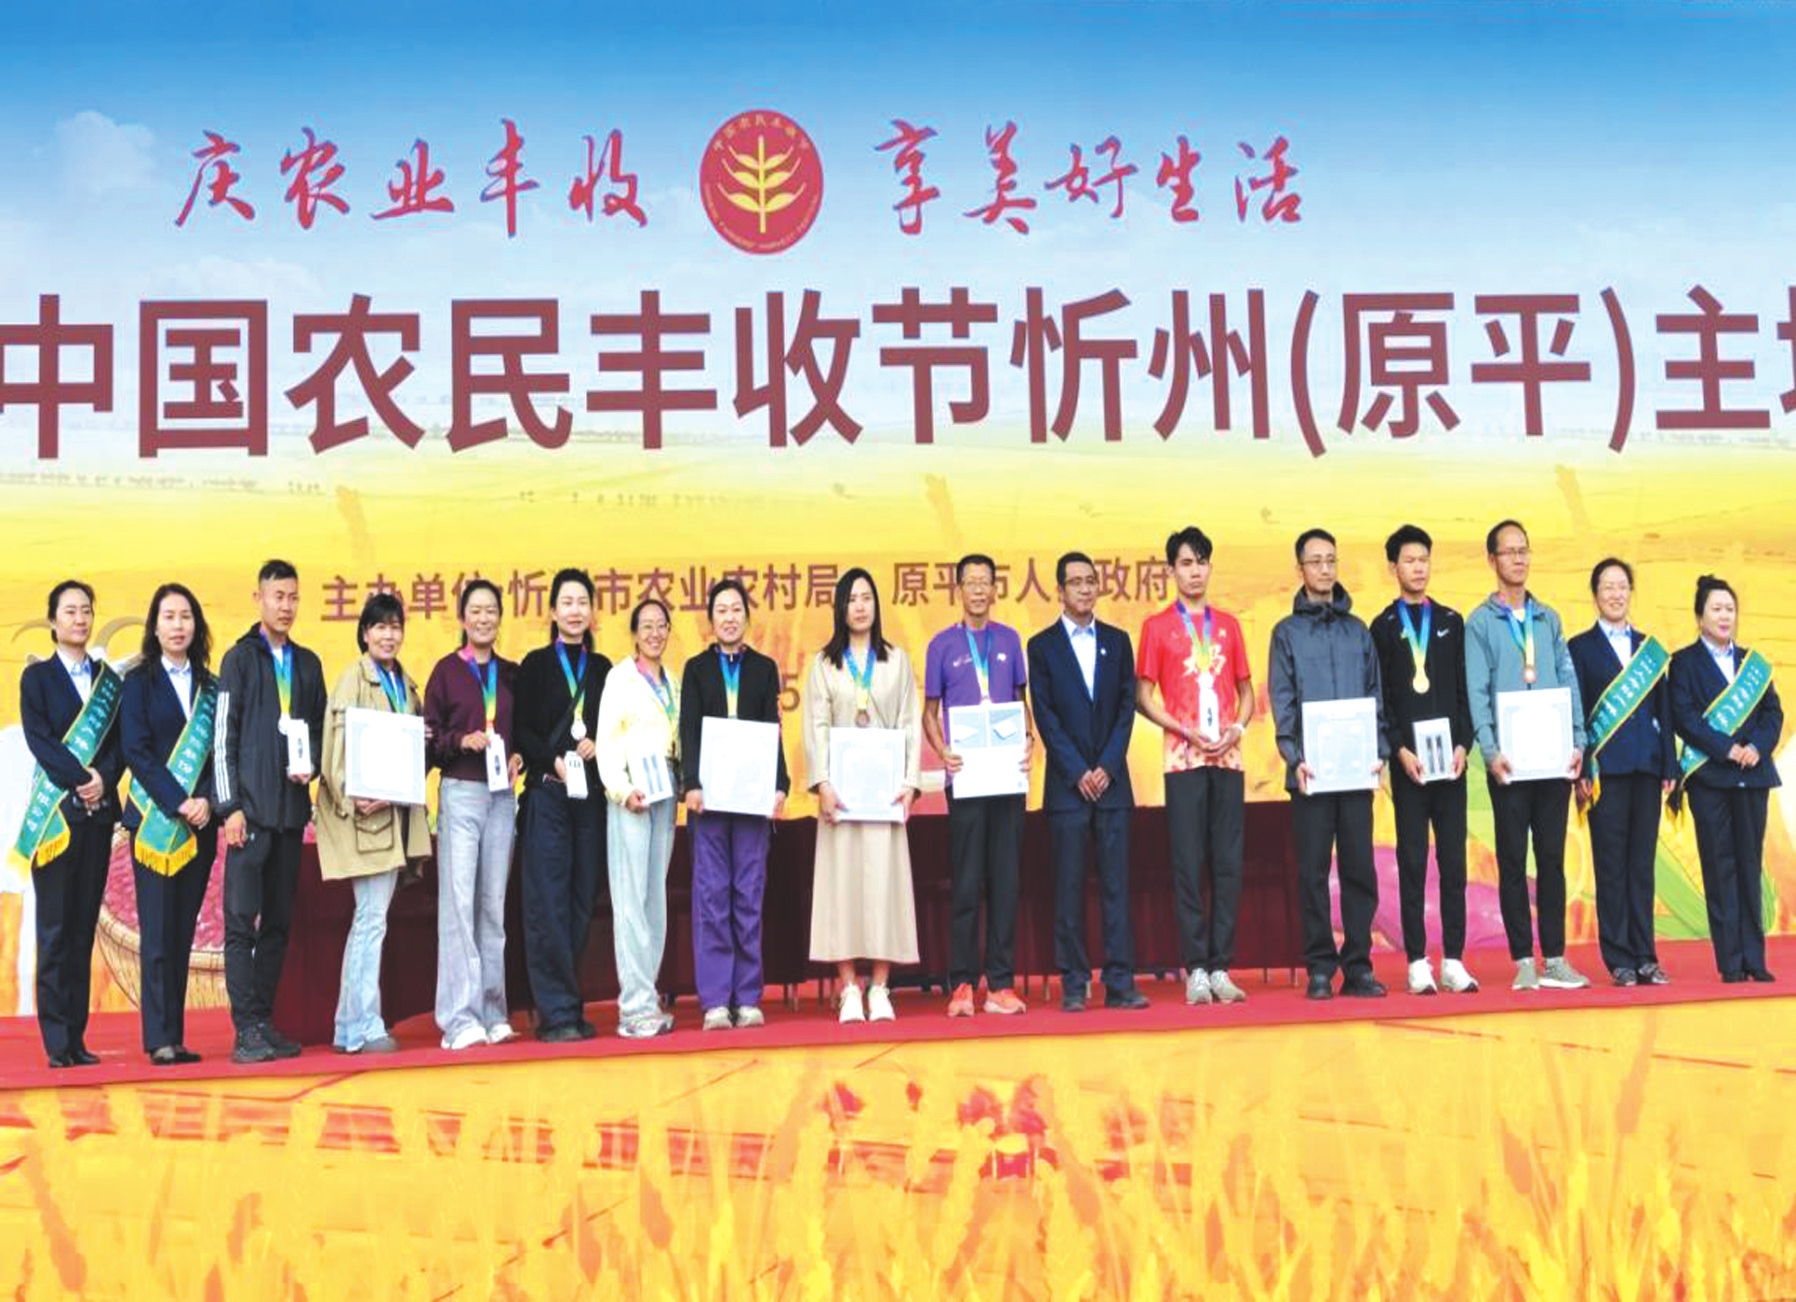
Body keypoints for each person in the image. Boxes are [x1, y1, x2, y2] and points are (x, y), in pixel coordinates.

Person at [1464, 520, 1590, 992]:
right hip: (1510, 765)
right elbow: (1477, 690)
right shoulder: (1480, 623)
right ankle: (1522, 959)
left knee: (1552, 859)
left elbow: (1568, 680)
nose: (1518, 558)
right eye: (1509, 551)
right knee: (1514, 861)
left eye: (1524, 550)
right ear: (1491, 560)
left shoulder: (1548, 618)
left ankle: (1554, 958)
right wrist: (1490, 750)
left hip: (1553, 760)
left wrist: (1577, 740)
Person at [1134, 526, 1255, 1005]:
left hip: (1227, 755)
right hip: (1182, 759)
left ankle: (1222, 966)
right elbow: (1143, 696)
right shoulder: (1157, 627)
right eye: (1186, 563)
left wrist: (1237, 729)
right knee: (1187, 863)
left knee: (1228, 862)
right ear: (1172, 570)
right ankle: (1197, 969)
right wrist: (1181, 728)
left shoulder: (1229, 625)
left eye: (1202, 562)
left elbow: (1246, 691)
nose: (1195, 571)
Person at [1269, 529, 1389, 1001]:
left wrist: (1379, 751)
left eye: (1331, 560)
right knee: (1313, 873)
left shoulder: (1358, 631)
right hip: (1311, 776)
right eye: (1315, 561)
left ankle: (1358, 966)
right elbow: (1283, 701)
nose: (1324, 569)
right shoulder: (1286, 633)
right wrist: (1294, 758)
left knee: (1360, 870)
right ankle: (1320, 967)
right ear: (1299, 569)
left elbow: (1376, 696)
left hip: (1356, 773)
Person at [1027, 552, 1148, 1012]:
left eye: (1090, 581)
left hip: (1112, 786)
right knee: (1069, 888)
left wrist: (1107, 767)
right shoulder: (1042, 647)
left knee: (1117, 888)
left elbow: (1125, 709)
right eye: (1074, 582)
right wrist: (1078, 771)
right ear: (1059, 591)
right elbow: (1045, 716)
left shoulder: (1117, 642)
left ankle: (1120, 982)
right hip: (1067, 789)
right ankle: (1074, 983)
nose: (1083, 588)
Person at [216, 559, 327, 1064]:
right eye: (277, 596)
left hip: (290, 817)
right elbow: (223, 739)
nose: (286, 606)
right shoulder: (239, 660)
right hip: (250, 817)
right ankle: (245, 1029)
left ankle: (263, 1020)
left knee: (278, 925)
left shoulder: (308, 664)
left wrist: (314, 765)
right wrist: (230, 808)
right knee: (241, 924)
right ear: (258, 599)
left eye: (293, 597)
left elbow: (321, 731)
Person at [14, 580, 124, 1068]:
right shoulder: (37, 679)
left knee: (82, 930)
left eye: (86, 611)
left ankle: (78, 1038)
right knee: (56, 930)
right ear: (53, 621)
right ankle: (57, 1042)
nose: (80, 619)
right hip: (57, 821)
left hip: (98, 820)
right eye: (70, 611)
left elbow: (121, 744)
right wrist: (82, 779)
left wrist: (105, 777)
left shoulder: (109, 682)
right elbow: (40, 741)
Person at [316, 593, 432, 1054]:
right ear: (364, 633)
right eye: (380, 626)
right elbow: (336, 747)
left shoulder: (406, 682)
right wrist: (353, 793)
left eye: (395, 626)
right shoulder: (353, 678)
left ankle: (350, 1026)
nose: (388, 635)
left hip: (394, 816)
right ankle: (364, 1025)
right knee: (370, 922)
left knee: (370, 921)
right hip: (366, 817)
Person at [805, 569, 922, 1024]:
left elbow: (909, 723)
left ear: (876, 605)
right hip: (842, 796)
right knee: (842, 889)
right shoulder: (824, 664)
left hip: (884, 795)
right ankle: (850, 986)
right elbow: (816, 726)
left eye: (866, 597)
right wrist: (823, 783)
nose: (859, 606)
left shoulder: (897, 660)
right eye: (851, 598)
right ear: (840, 607)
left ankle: (881, 987)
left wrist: (909, 783)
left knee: (884, 888)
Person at [922, 553, 1034, 1017]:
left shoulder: (1009, 639)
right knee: (967, 881)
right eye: (970, 582)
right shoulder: (941, 645)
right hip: (966, 778)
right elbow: (930, 713)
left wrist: (1029, 740)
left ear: (995, 588)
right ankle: (963, 984)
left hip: (1006, 778)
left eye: (985, 582)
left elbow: (1021, 702)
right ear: (958, 590)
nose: (979, 590)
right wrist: (943, 750)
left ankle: (1001, 984)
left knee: (1005, 881)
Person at [1370, 525, 1478, 996]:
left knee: (1454, 864)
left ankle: (1454, 960)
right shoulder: (1382, 627)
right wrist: (1399, 749)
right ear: (1393, 567)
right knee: (1412, 862)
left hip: (1451, 764)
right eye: (1409, 560)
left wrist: (1464, 745)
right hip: (1410, 765)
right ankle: (1416, 961)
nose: (1418, 568)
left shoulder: (1452, 621)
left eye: (1424, 559)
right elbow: (1382, 699)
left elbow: (1465, 691)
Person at [679, 579, 789, 1030]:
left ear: (747, 616)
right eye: (721, 610)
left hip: (750, 799)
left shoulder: (763, 668)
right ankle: (714, 1001)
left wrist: (779, 784)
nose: (729, 617)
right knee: (711, 897)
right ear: (711, 619)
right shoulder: (696, 669)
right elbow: (688, 729)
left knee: (748, 893)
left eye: (736, 609)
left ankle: (746, 996)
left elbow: (772, 728)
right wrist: (690, 783)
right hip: (708, 800)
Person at [423, 578, 524, 1051]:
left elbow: (521, 733)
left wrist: (519, 756)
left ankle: (493, 1010)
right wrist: (460, 741)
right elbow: (429, 738)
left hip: (502, 797)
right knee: (459, 906)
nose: (484, 618)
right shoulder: (446, 672)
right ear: (462, 618)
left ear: (500, 618)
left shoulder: (511, 674)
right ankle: (458, 1018)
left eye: (491, 611)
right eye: (476, 611)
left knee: (492, 907)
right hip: (462, 793)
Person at [120, 584, 218, 1065]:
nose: (178, 625)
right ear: (154, 626)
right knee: (157, 933)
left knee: (181, 932)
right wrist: (179, 802)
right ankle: (158, 1038)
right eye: (169, 616)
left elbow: (223, 752)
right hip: (155, 822)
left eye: (186, 616)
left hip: (201, 824)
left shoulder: (213, 687)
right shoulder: (138, 682)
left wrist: (208, 802)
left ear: (196, 625)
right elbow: (136, 751)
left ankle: (175, 1037)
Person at [1568, 559, 1678, 987]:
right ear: (1595, 594)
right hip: (1604, 773)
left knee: (1641, 866)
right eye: (1607, 587)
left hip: (1647, 768)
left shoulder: (1649, 649)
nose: (1616, 594)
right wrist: (1581, 765)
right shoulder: (1580, 648)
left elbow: (1663, 711)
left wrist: (1669, 763)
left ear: (1631, 592)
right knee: (1611, 866)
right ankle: (1619, 959)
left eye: (1622, 586)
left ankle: (1646, 955)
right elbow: (1578, 712)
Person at [515, 569, 612, 1042]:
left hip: (589, 799)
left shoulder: (604, 669)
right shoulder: (534, 665)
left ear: (593, 613)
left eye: (582, 603)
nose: (575, 611)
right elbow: (521, 729)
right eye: (566, 603)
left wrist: (599, 743)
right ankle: (555, 1014)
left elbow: (616, 727)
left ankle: (569, 1004)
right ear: (552, 612)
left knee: (581, 900)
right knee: (547, 904)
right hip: (549, 795)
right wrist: (551, 758)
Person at [1670, 575, 1782, 983]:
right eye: (1716, 609)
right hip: (1711, 778)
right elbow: (1683, 716)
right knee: (1720, 869)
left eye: (1729, 609)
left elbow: (1773, 713)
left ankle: (1755, 959)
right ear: (1700, 617)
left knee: (1750, 866)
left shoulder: (1753, 665)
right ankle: (1731, 962)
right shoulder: (1684, 663)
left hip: (1753, 776)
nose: (1724, 616)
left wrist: (1757, 747)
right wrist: (1726, 748)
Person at [597, 598, 681, 1038]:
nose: (654, 633)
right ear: (634, 632)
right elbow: (607, 743)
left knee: (654, 901)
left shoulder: (673, 682)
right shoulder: (620, 678)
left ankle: (647, 998)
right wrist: (621, 789)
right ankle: (633, 1010)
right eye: (646, 625)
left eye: (661, 625)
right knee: (630, 902)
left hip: (664, 792)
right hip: (632, 793)